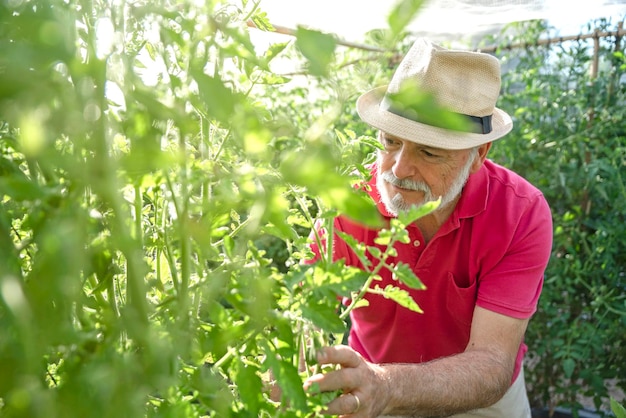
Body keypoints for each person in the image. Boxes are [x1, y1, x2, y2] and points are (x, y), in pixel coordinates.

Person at [302, 38, 553, 417]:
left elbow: (491, 363)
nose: (398, 169)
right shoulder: (347, 205)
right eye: (391, 141)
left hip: (478, 399)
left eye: (429, 152)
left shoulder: (520, 213)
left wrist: (387, 386)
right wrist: (300, 364)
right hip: (371, 384)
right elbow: (304, 308)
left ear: (477, 156)